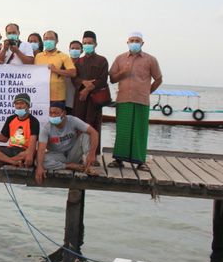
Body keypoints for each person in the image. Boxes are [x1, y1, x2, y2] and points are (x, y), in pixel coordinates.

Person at [108, 32, 162, 171]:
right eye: (131, 40)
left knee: (140, 130)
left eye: (137, 40)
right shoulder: (120, 58)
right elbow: (113, 78)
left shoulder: (150, 60)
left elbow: (158, 79)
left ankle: (140, 161)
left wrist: (147, 91)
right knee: (122, 130)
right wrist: (123, 73)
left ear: (142, 43)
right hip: (123, 99)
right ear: (127, 42)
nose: (134, 42)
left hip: (141, 100)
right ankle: (118, 159)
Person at [35, 101, 99, 184]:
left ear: (64, 113)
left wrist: (92, 154)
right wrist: (39, 167)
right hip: (58, 156)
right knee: (38, 162)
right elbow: (41, 149)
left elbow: (94, 133)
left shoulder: (72, 120)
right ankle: (70, 166)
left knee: (86, 135)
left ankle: (88, 165)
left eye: (56, 113)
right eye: (51, 113)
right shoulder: (46, 128)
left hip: (73, 153)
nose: (53, 115)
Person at [72, 31, 108, 156]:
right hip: (80, 99)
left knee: (94, 124)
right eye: (85, 43)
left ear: (95, 44)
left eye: (90, 43)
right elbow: (74, 78)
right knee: (79, 124)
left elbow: (102, 80)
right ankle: (78, 154)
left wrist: (87, 89)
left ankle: (94, 156)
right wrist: (83, 82)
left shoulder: (102, 60)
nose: (87, 45)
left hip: (94, 99)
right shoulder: (79, 62)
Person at [0, 93, 39, 166]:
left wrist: (30, 154)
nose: (19, 106)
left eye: (22, 103)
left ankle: (4, 160)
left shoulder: (33, 121)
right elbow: (4, 138)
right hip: (11, 149)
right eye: (16, 104)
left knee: (29, 153)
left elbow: (33, 143)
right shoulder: (11, 119)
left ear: (28, 105)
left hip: (24, 150)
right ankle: (13, 162)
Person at [34, 30, 76, 102]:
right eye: (46, 39)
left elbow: (73, 73)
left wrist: (56, 70)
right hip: (41, 96)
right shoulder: (38, 56)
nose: (48, 41)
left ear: (57, 41)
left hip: (57, 98)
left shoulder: (63, 56)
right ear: (43, 41)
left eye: (51, 38)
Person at [65, 40, 83, 114]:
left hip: (79, 102)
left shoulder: (84, 65)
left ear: (81, 51)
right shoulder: (63, 63)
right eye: (72, 48)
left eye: (77, 48)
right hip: (64, 101)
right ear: (69, 50)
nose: (74, 50)